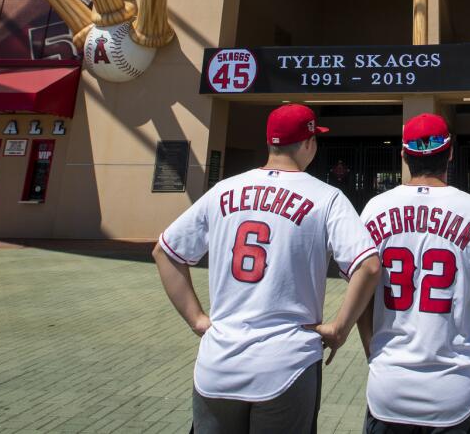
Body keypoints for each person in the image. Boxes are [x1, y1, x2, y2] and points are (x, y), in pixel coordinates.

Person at [153, 103, 381, 434]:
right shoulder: (326, 197)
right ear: (307, 143)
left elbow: (165, 252)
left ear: (270, 143)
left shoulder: (223, 190)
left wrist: (198, 320)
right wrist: (339, 329)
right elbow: (370, 266)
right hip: (287, 362)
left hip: (219, 361)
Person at [357, 113, 470, 433]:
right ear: (451, 153)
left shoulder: (374, 208)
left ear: (403, 154)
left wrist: (374, 354)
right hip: (457, 388)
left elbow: (361, 297)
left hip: (389, 386)